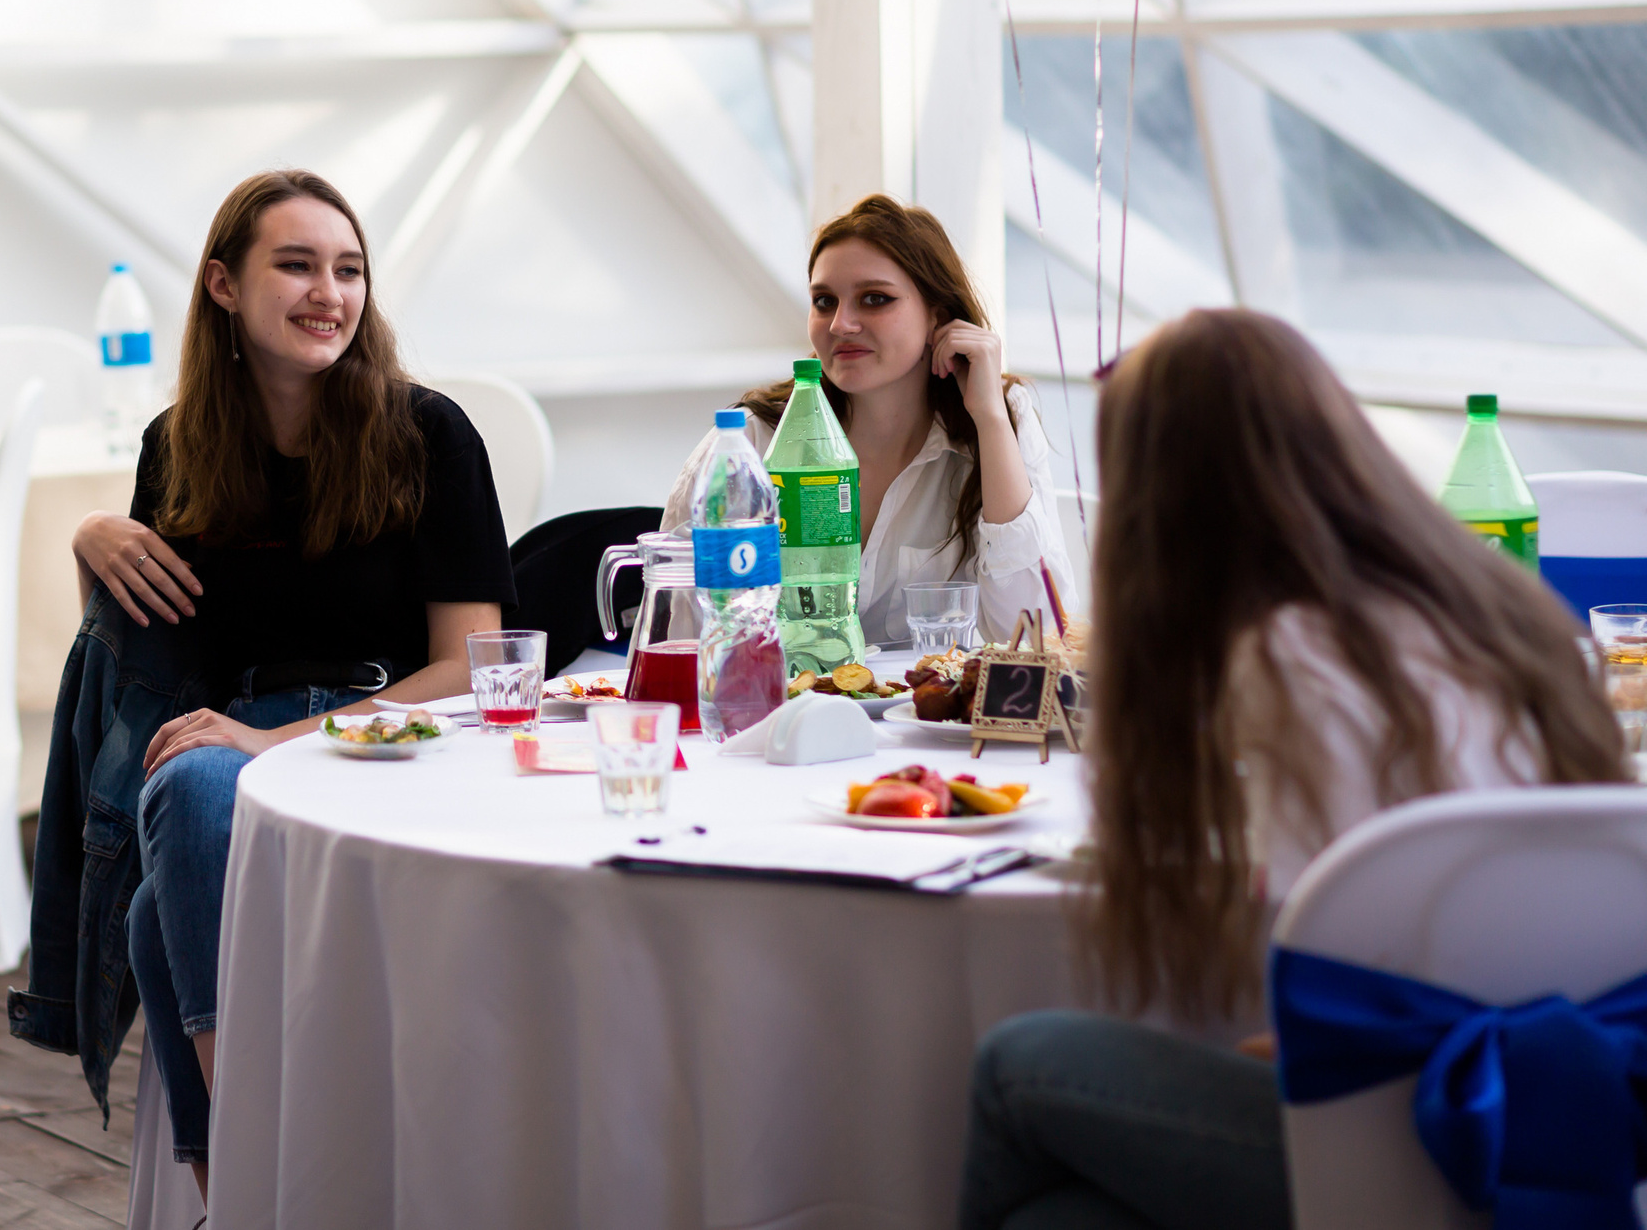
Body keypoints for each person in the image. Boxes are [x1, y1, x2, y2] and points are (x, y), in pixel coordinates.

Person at [957, 310, 1623, 1230]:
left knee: (1014, 1065)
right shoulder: (1490, 609)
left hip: (1410, 1141)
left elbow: (1348, 954)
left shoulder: (1291, 657)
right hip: (1572, 1112)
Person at [11, 169, 513, 1192]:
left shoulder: (428, 432)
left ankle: (246, 1168)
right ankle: (237, 1184)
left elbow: (471, 664)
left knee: (189, 793)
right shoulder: (179, 446)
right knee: (155, 909)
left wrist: (267, 746)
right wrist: (92, 537)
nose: (328, 291)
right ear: (224, 286)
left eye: (348, 269)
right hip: (238, 733)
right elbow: (144, 660)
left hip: (397, 731)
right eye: (295, 265)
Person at [665, 194, 1071, 647]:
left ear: (937, 314)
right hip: (780, 714)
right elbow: (688, 639)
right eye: (824, 301)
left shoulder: (1000, 418)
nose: (841, 324)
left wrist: (990, 420)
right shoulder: (752, 441)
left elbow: (1036, 637)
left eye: (874, 299)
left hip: (923, 717)